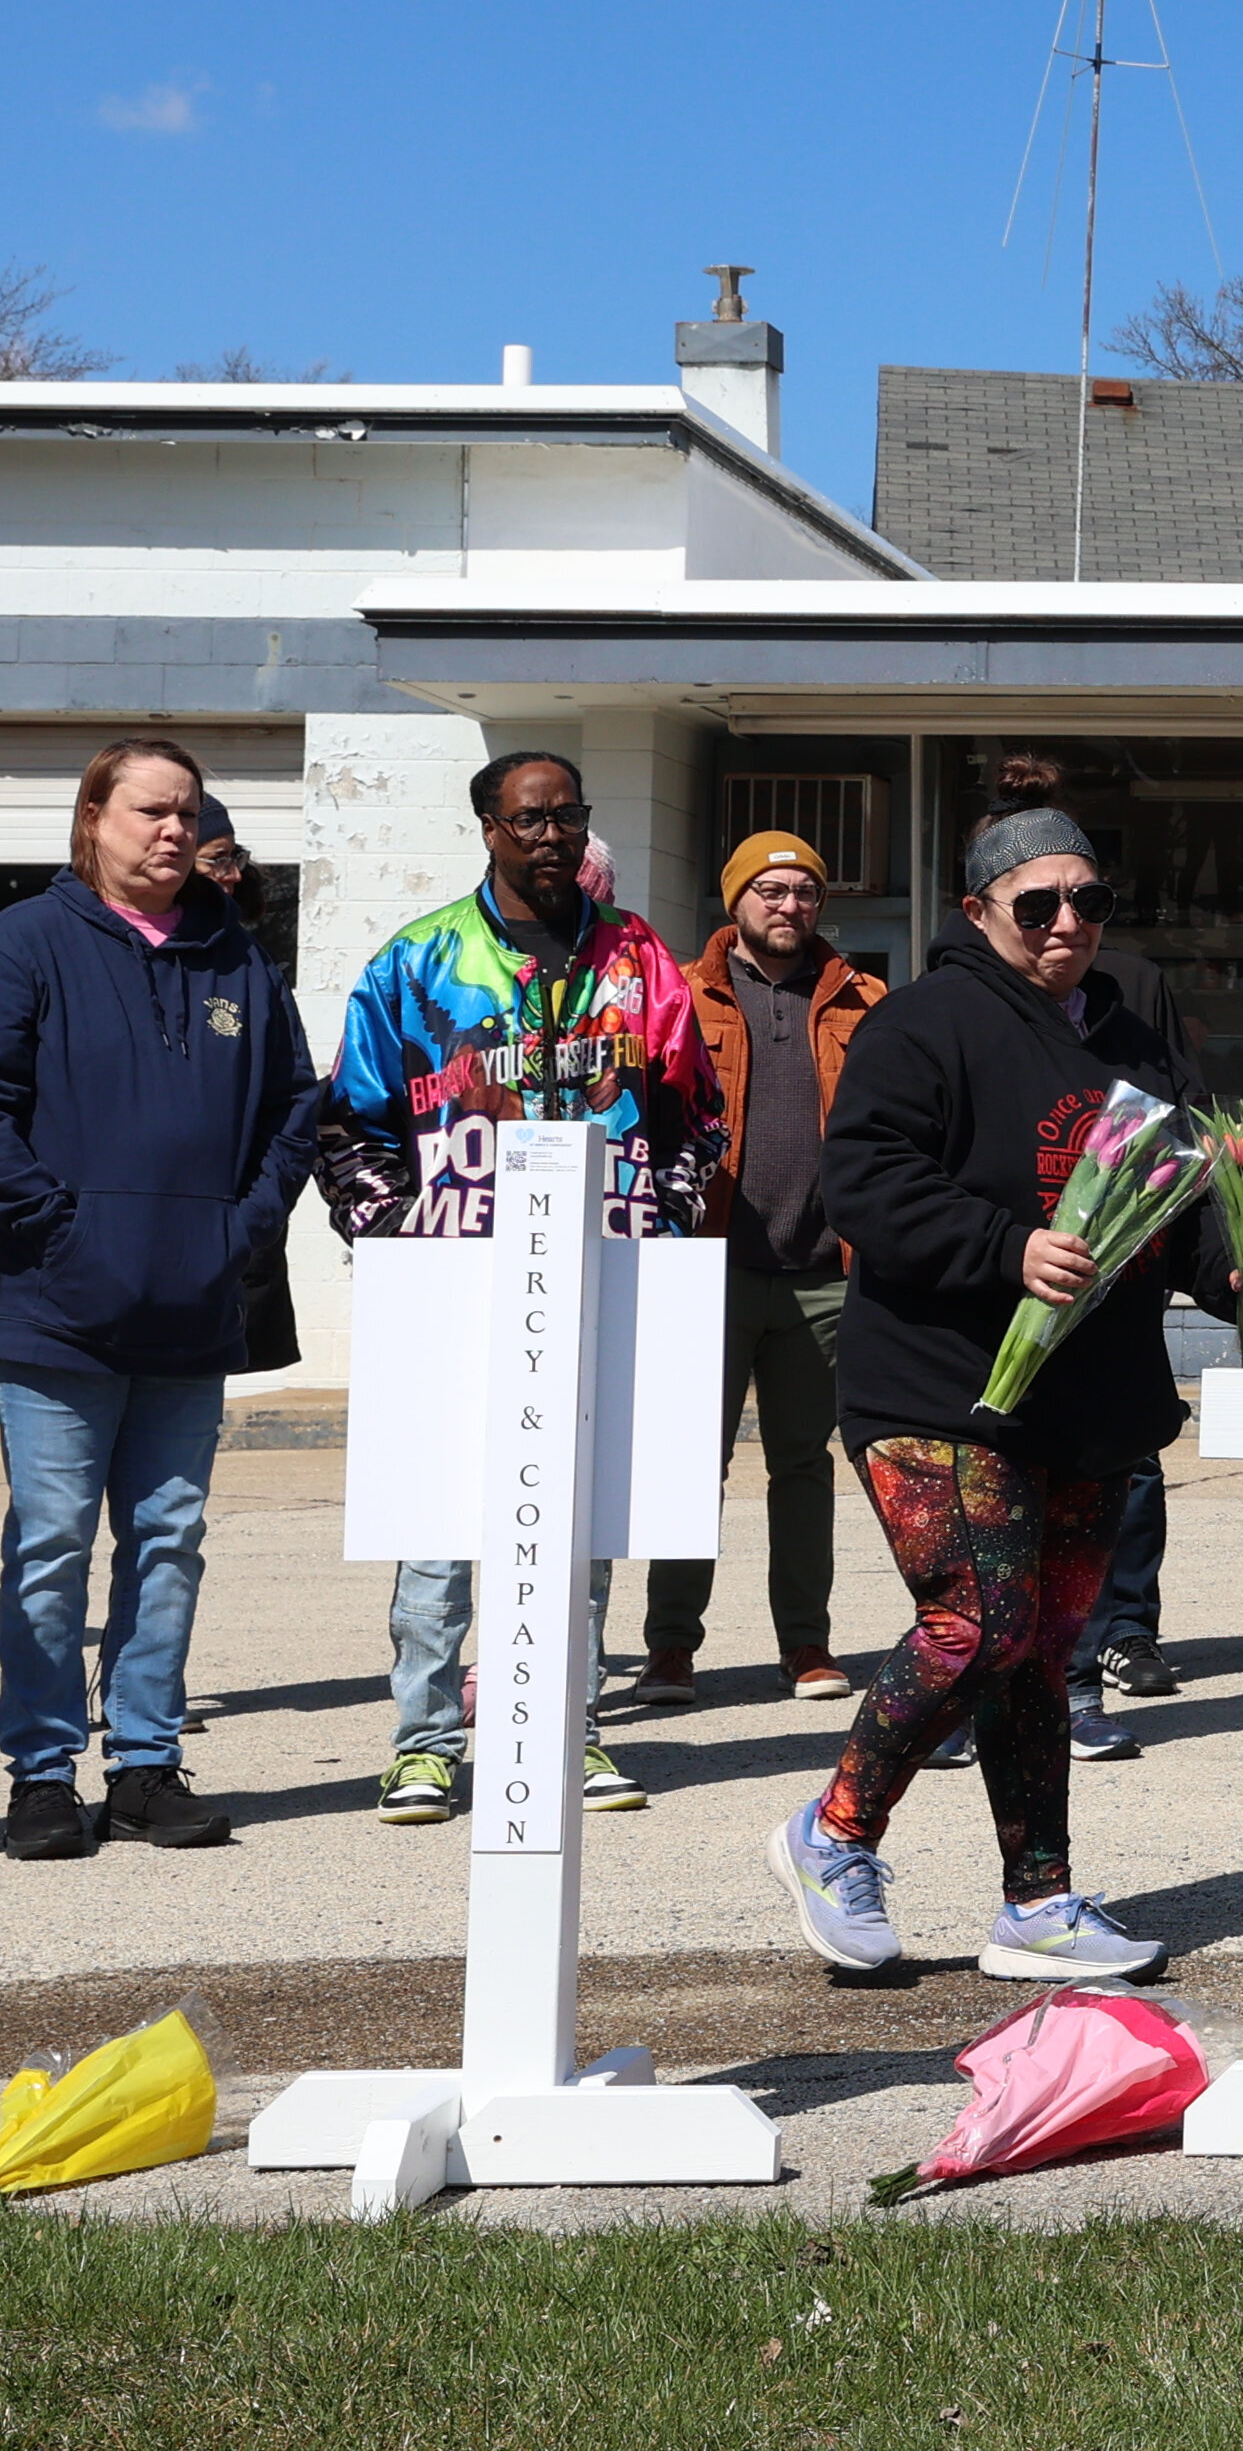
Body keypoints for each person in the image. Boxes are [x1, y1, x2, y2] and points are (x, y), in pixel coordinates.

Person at [761, 789, 1225, 1982]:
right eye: (1039, 901)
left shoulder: (1131, 1037)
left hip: (1088, 1398)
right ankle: (833, 1832)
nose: (1068, 921)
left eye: (1089, 899)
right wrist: (1004, 1247)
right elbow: (864, 1186)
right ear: (981, 908)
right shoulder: (920, 1024)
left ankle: (1038, 1903)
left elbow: (1174, 1202)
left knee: (1046, 1646)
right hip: (938, 1384)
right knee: (982, 1622)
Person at [319, 751, 721, 1825]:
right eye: (529, 819)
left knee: (581, 1514)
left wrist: (668, 1214)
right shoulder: (418, 961)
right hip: (454, 1282)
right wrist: (397, 1231)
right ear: (488, 828)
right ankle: (424, 1743)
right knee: (441, 1520)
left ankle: (566, 1729)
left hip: (601, 1273)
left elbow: (700, 1115)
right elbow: (348, 1124)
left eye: (568, 817)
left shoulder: (641, 959)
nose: (551, 836)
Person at [0, 740, 319, 1861]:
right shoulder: (26, 942)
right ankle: (40, 1772)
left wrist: (242, 1230)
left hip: (193, 1306)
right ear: (93, 818)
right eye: (151, 810)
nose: (174, 830)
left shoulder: (235, 959)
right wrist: (56, 1229)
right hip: (53, 1309)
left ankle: (143, 1764)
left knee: (169, 1540)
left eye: (187, 813)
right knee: (49, 1546)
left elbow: (295, 1104)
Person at [632, 834, 884, 1710]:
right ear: (734, 901)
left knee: (805, 1465)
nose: (789, 906)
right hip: (711, 1268)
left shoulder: (863, 1000)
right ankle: (670, 1646)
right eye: (771, 890)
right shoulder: (681, 994)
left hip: (822, 1270)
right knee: (690, 1464)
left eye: (806, 892)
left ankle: (805, 1644)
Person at [189, 798, 302, 1379]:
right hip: (83, 1268)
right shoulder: (46, 945)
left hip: (222, 1248)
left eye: (236, 857)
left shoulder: (250, 966)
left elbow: (290, 1102)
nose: (233, 873)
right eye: (218, 860)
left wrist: (253, 1218)